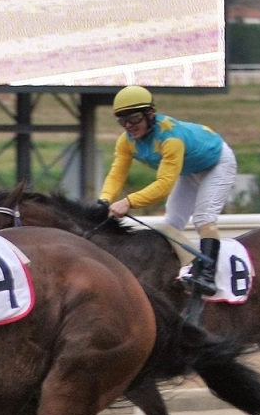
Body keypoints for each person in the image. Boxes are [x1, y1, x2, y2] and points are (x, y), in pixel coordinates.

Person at [98, 85, 237, 296]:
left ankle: (207, 276)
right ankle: (178, 268)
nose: (129, 126)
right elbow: (117, 174)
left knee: (204, 218)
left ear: (150, 114)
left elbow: (163, 186)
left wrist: (128, 202)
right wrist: (104, 200)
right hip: (189, 169)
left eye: (134, 118)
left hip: (217, 163)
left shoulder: (170, 139)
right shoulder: (125, 142)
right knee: (171, 223)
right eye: (122, 120)